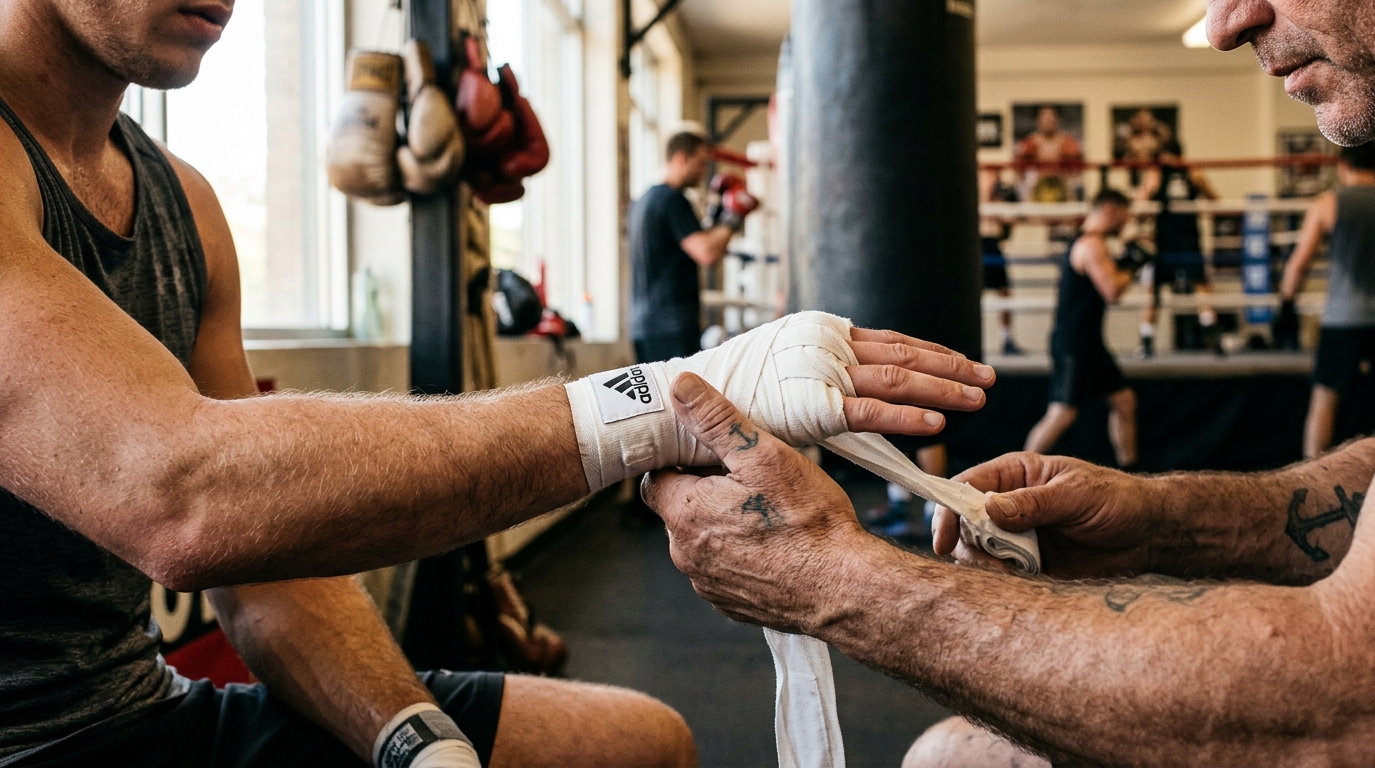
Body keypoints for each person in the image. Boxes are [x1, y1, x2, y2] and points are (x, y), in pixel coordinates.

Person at [0, 2, 993, 765]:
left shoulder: (186, 204)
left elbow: (263, 563)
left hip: (135, 714)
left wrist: (417, 742)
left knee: (634, 745)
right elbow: (181, 496)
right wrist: (658, 401)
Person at [643, 1, 1375, 764]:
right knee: (948, 755)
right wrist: (1158, 517)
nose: (1222, 24)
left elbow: (1364, 703)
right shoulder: (1092, 244)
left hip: (1090, 349)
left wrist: (830, 580)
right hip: (1083, 343)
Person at [1281, 141, 1375, 459]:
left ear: (1342, 165)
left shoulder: (1328, 204)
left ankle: (1311, 483)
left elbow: (1299, 263)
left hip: (1343, 318)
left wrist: (1285, 304)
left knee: (1325, 398)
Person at [1024, 189, 1139, 469]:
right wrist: (1133, 263)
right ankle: (1019, 473)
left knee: (1124, 401)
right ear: (1110, 211)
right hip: (1075, 344)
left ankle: (1131, 471)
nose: (1126, 222)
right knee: (1061, 414)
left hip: (1089, 343)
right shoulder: (1090, 245)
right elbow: (1112, 290)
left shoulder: (1092, 243)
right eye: (1123, 216)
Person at [628, 132, 756, 364]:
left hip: (645, 326)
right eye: (700, 163)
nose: (705, 171)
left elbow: (695, 239)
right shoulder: (672, 200)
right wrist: (735, 215)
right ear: (680, 158)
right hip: (671, 326)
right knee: (681, 397)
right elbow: (707, 252)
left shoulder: (644, 200)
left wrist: (718, 211)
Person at [1135, 140, 1223, 357]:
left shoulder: (1157, 175)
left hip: (1168, 241)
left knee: (1156, 292)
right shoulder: (1191, 173)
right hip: (1185, 239)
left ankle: (1147, 342)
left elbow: (1140, 206)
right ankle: (1212, 336)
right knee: (1193, 287)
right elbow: (1214, 199)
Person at [980, 168, 1023, 356]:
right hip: (976, 242)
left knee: (1004, 291)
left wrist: (999, 202)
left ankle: (1006, 339)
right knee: (970, 294)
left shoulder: (1000, 193)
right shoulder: (972, 187)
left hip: (993, 242)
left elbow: (1013, 219)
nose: (994, 178)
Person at [1014, 106, 1085, 203]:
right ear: (1038, 120)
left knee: (1075, 188)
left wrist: (1069, 179)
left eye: (1051, 118)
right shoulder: (1030, 142)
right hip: (1037, 185)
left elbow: (1078, 169)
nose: (1048, 121)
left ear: (1057, 120)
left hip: (1063, 184)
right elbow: (1018, 170)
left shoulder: (1067, 142)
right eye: (1045, 118)